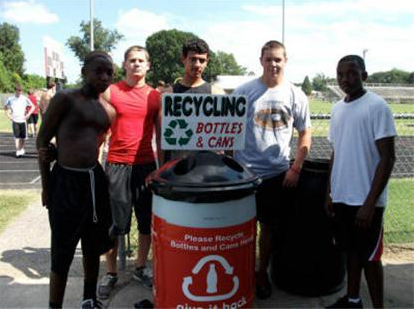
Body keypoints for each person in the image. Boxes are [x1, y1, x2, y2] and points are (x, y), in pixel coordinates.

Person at [232, 40, 312, 299]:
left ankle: (261, 272)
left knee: (268, 228)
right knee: (242, 228)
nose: (273, 64)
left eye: (278, 59)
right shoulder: (243, 92)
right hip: (244, 174)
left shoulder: (295, 95)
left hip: (276, 173)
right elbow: (226, 130)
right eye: (269, 59)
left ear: (285, 61)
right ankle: (239, 273)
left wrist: (296, 168)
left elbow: (305, 134)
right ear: (261, 61)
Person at [36, 51, 116, 309]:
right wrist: (47, 186)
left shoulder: (108, 111)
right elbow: (41, 141)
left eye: (109, 73)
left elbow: (93, 145)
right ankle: (54, 305)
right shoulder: (65, 98)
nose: (104, 77)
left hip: (94, 182)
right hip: (65, 182)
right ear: (84, 71)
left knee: (93, 247)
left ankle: (89, 298)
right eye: (98, 71)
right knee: (62, 250)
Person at [325, 55, 396, 309]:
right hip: (343, 196)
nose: (346, 79)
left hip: (367, 201)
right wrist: (329, 191)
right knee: (351, 252)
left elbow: (387, 158)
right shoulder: (336, 109)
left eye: (352, 73)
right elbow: (337, 152)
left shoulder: (377, 107)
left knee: (370, 258)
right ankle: (353, 301)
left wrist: (370, 203)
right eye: (341, 74)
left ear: (364, 75)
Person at [97, 45, 162, 299]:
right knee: (115, 224)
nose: (136, 64)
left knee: (146, 221)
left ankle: (140, 267)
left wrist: (163, 168)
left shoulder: (155, 96)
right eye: (132, 60)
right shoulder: (111, 92)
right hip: (117, 164)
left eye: (141, 60)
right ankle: (111, 272)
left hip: (146, 166)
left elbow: (162, 135)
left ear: (148, 66)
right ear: (124, 65)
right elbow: (101, 133)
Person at [163, 38, 225, 162]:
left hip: (207, 167)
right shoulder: (168, 95)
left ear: (207, 62)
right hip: (175, 168)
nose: (197, 64)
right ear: (183, 59)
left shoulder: (217, 94)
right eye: (193, 59)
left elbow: (225, 135)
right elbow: (160, 136)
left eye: (202, 60)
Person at [4, 84, 35, 158]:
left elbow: (33, 107)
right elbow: (5, 107)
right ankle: (18, 150)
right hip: (15, 120)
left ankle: (21, 148)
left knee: (23, 137)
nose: (20, 92)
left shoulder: (25, 98)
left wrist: (28, 114)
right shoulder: (10, 99)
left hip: (23, 120)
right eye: (18, 91)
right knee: (17, 137)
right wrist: (9, 115)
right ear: (15, 90)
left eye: (21, 91)